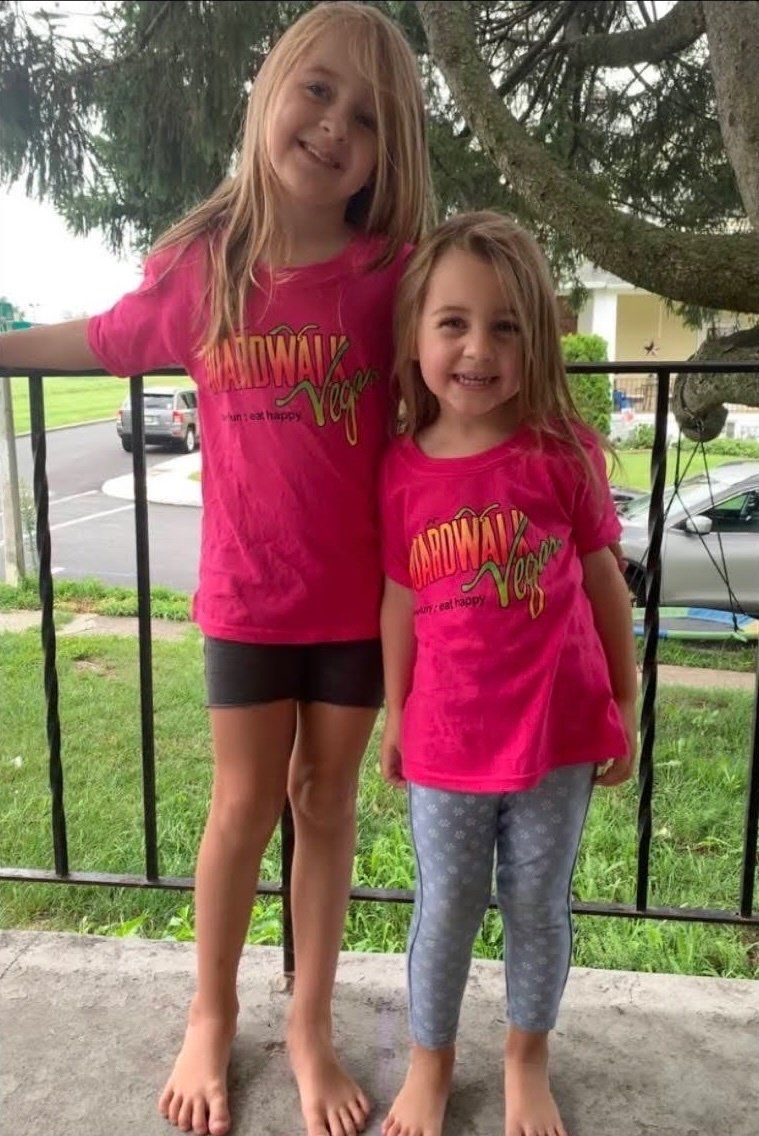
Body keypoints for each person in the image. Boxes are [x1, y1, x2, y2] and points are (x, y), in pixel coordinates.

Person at [0, 5, 433, 1135]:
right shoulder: (206, 269)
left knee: (325, 804)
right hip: (248, 599)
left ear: (391, 155)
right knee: (242, 804)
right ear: (273, 91)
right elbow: (96, 338)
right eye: (320, 91)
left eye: (370, 118)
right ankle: (210, 1009)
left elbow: (481, 364)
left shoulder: (394, 275)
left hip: (358, 606)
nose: (337, 126)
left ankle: (310, 1022)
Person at [378, 212, 637, 1136]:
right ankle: (429, 1063)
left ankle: (527, 1059)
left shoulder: (564, 453)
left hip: (558, 734)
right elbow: (400, 601)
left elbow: (605, 581)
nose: (476, 349)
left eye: (504, 326)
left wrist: (626, 701)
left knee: (537, 903)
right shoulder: (401, 471)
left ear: (538, 337)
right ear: (415, 336)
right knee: (443, 906)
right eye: (452, 322)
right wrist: (395, 715)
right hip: (447, 739)